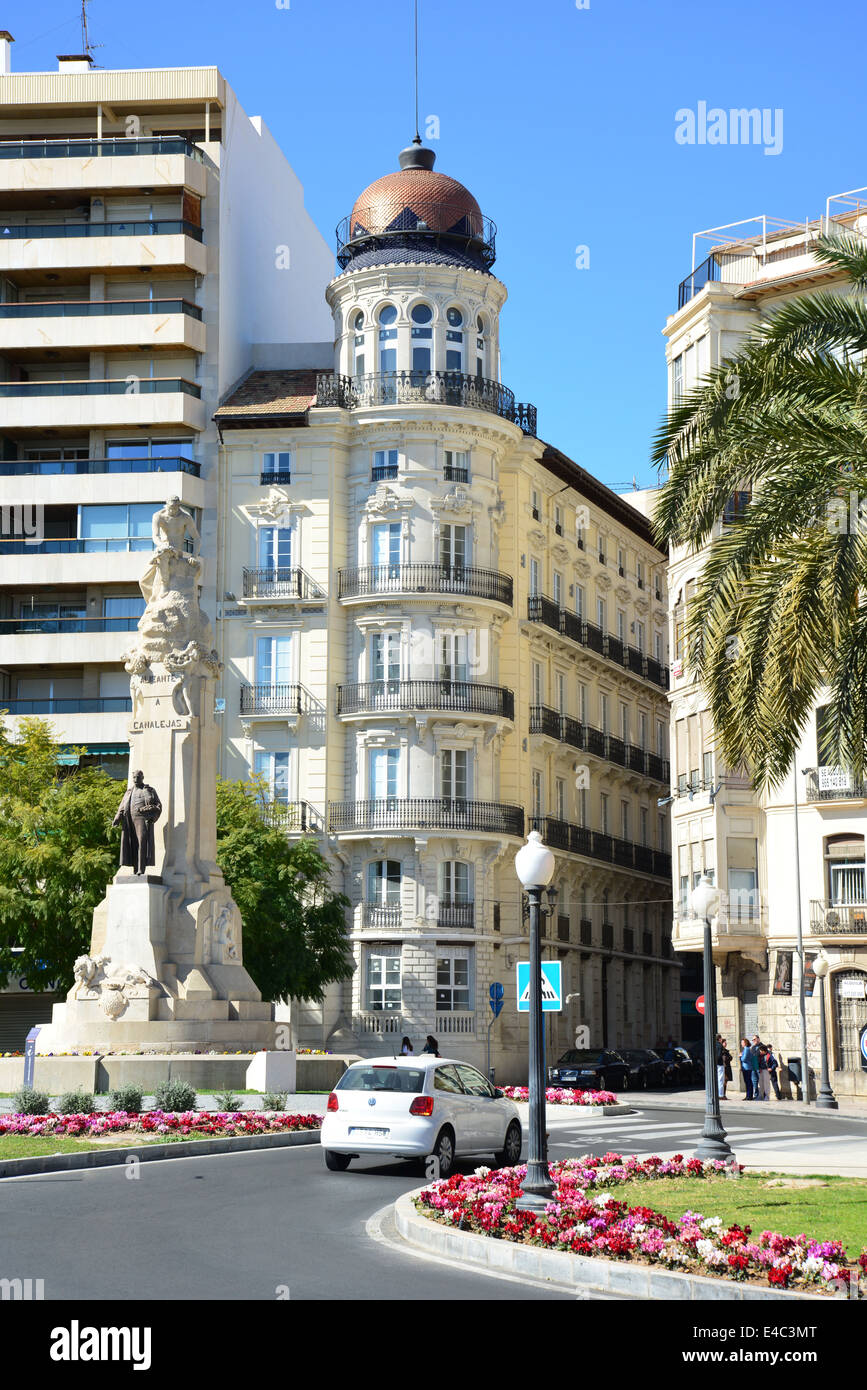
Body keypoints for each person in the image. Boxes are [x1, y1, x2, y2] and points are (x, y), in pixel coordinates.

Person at [113, 769, 162, 876]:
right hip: (129, 820)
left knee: (142, 843)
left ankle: (141, 869)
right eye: (134, 777)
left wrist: (152, 814)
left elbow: (158, 805)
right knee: (132, 844)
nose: (136, 779)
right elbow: (122, 807)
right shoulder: (129, 792)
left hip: (142, 819)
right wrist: (117, 817)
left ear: (142, 778)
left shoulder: (150, 790)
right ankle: (135, 869)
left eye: (138, 777)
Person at [751, 1035, 769, 1100]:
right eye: (753, 1040)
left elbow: (764, 1057)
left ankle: (763, 1095)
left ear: (758, 1039)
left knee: (762, 1082)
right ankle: (756, 1095)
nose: (754, 1041)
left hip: (760, 1067)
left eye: (755, 1039)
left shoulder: (763, 1046)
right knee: (754, 1081)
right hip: (754, 1067)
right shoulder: (753, 1047)